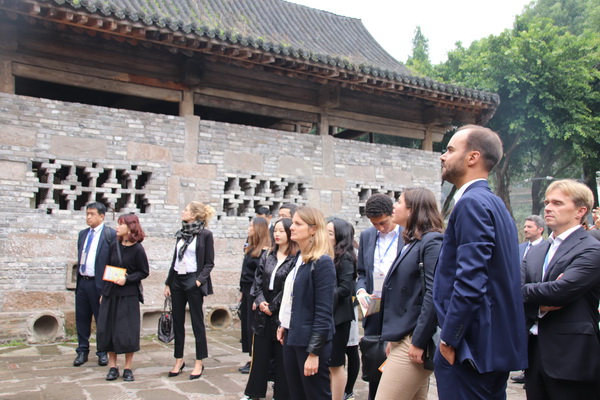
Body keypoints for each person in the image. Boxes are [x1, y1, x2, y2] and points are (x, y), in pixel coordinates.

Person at [433, 125, 528, 399]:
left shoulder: (471, 203)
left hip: (470, 348)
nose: (443, 156)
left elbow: (471, 279)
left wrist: (450, 338)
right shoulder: (496, 205)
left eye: (450, 149)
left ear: (472, 157)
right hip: (493, 346)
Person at [521, 179, 600, 400]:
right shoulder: (537, 250)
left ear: (580, 211)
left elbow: (559, 291)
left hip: (572, 358)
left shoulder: (592, 249)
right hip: (534, 354)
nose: (548, 208)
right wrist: (537, 305)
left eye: (557, 203)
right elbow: (511, 290)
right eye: (547, 202)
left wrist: (527, 293)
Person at [375, 188, 443, 400]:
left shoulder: (432, 242)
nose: (393, 206)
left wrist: (419, 341)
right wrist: (393, 338)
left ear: (412, 209)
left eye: (399, 202)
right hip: (403, 336)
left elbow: (433, 293)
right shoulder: (413, 242)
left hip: (413, 339)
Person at [277, 207, 336, 400]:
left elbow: (323, 312)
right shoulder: (299, 258)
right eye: (293, 222)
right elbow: (294, 297)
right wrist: (284, 323)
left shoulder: (322, 262)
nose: (291, 227)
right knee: (296, 395)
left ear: (313, 229)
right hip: (292, 335)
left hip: (310, 342)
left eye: (298, 224)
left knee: (316, 395)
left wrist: (314, 353)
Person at [241, 218, 298, 400]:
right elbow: (257, 281)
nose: (277, 234)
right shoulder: (268, 255)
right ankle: (253, 393)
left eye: (281, 231)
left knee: (282, 357)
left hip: (281, 311)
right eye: (275, 231)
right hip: (263, 310)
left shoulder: (295, 258)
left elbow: (290, 287)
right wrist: (260, 301)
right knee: (260, 354)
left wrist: (273, 306)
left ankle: (281, 394)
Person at [356, 193, 404, 400]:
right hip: (374, 307)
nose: (380, 228)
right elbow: (361, 273)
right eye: (375, 224)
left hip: (399, 310)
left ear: (392, 213)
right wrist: (361, 291)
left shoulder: (407, 234)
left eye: (383, 223)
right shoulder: (367, 236)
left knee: (399, 366)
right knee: (375, 363)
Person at [164, 202, 216, 380]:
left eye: (185, 210)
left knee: (196, 322)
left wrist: (199, 281)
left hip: (193, 280)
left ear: (194, 215)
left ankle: (199, 361)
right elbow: (175, 260)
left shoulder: (205, 235)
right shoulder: (182, 233)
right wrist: (168, 283)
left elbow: (209, 262)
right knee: (177, 321)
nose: (182, 211)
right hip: (177, 279)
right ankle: (178, 360)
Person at [97, 213, 149, 382]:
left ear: (130, 227)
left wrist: (127, 279)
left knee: (127, 331)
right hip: (111, 293)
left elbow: (144, 272)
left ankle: (128, 367)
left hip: (128, 295)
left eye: (121, 224)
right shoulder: (114, 245)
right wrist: (103, 292)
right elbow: (107, 268)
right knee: (109, 329)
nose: (117, 227)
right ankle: (113, 366)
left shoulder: (138, 249)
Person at [74, 202, 116, 367]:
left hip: (100, 284)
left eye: (92, 214)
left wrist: (108, 288)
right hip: (83, 282)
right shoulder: (83, 234)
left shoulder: (109, 235)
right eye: (87, 214)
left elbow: (114, 263)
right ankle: (82, 350)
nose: (89, 217)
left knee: (102, 320)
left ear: (102, 216)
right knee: (82, 318)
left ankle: (102, 352)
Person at [511, 214, 546, 384]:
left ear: (540, 229)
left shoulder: (546, 248)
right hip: (518, 298)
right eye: (524, 226)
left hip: (534, 299)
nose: (525, 229)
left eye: (529, 227)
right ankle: (525, 368)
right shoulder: (520, 248)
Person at [326, 217, 357, 400]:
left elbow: (346, 288)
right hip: (327, 315)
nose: (325, 235)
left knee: (336, 363)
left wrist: (323, 296)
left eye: (330, 233)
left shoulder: (345, 257)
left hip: (339, 317)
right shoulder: (326, 254)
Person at [239, 217, 272, 374]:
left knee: (253, 326)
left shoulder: (265, 251)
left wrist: (257, 297)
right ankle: (252, 357)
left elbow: (261, 276)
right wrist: (241, 292)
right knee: (247, 325)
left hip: (254, 291)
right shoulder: (252, 247)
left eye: (251, 226)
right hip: (247, 290)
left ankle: (257, 360)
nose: (249, 228)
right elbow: (244, 272)